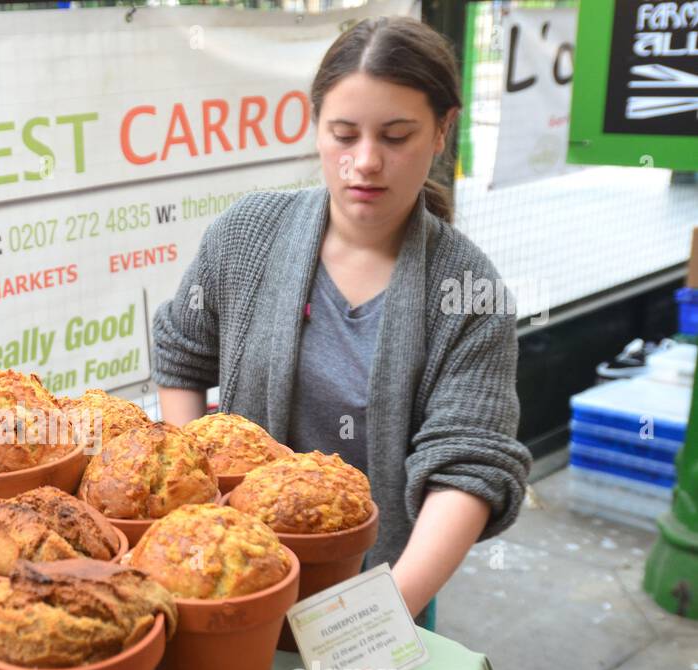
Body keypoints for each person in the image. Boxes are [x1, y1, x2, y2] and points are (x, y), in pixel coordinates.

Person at [152, 16, 532, 632]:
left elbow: (469, 465)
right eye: (344, 134)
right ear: (316, 128)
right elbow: (180, 353)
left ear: (441, 131)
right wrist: (194, 504)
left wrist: (381, 611)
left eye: (396, 135)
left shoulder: (470, 292)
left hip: (385, 581)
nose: (366, 162)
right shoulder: (249, 233)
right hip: (226, 573)